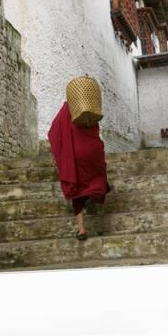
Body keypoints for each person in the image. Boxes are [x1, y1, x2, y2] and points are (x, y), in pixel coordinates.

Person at [47, 101, 110, 241]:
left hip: (75, 154)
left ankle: (81, 230)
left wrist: (60, 153)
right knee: (96, 177)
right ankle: (92, 196)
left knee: (77, 190)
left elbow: (53, 132)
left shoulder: (66, 108)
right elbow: (96, 128)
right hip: (93, 151)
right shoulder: (89, 108)